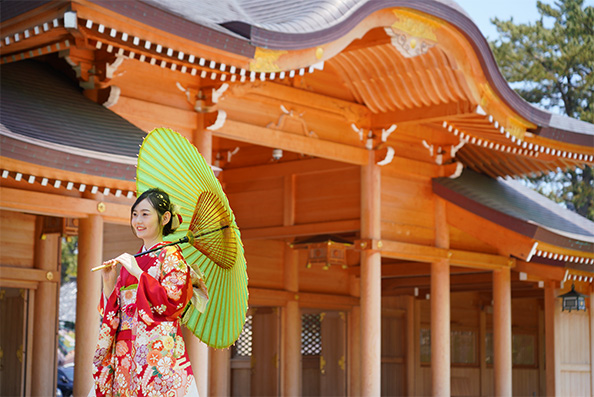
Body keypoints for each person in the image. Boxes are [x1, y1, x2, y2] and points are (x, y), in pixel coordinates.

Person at [90, 188, 207, 397]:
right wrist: (108, 285)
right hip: (126, 350)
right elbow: (117, 311)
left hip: (156, 349)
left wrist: (139, 273)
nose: (138, 221)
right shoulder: (131, 261)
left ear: (165, 218)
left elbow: (172, 302)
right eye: (135, 214)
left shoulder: (170, 255)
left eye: (145, 214)